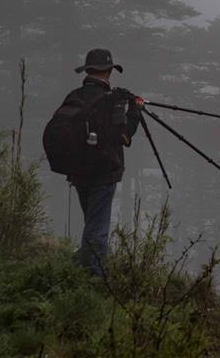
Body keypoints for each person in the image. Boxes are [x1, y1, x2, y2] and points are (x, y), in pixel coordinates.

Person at [66, 48, 140, 275]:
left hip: (78, 171)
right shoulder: (112, 101)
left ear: (87, 70)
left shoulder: (74, 97)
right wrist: (134, 110)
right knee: (97, 229)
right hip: (103, 173)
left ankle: (81, 269)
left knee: (91, 221)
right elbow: (123, 136)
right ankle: (94, 280)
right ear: (108, 71)